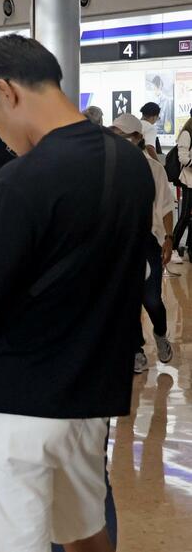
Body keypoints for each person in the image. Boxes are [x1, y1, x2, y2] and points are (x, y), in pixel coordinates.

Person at [0, 35, 153, 552]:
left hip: (16, 404)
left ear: (5, 91)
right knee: (85, 533)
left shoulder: (23, 178)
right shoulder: (126, 163)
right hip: (88, 396)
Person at [110, 113, 175, 374]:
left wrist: (169, 239)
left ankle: (160, 334)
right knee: (127, 299)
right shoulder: (109, 165)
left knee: (151, 298)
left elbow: (167, 206)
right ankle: (136, 348)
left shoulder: (154, 169)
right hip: (117, 242)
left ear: (136, 137)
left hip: (147, 241)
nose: (118, 139)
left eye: (122, 135)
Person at [171, 117, 192, 260]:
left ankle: (190, 248)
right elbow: (183, 158)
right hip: (188, 180)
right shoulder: (187, 133)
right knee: (184, 215)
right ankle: (172, 247)